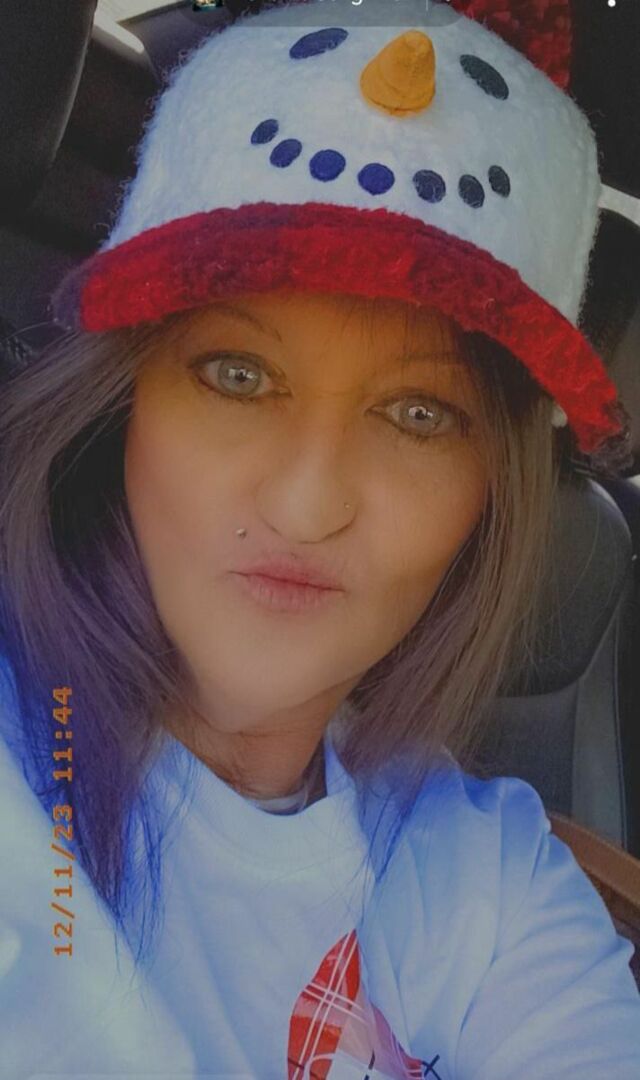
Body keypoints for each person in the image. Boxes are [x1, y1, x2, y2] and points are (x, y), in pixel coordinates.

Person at [0, 1, 639, 1076]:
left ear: (491, 489)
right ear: (124, 403)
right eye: (237, 375)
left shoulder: (492, 871)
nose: (305, 509)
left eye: (418, 414)